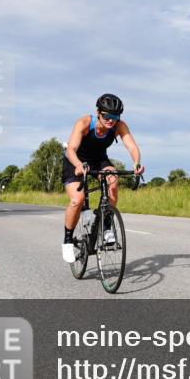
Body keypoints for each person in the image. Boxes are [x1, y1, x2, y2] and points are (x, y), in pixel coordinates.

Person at [61, 94, 144, 261]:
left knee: (112, 180)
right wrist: (78, 164)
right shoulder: (84, 123)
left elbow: (132, 146)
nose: (111, 121)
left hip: (98, 160)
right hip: (75, 159)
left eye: (115, 117)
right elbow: (71, 149)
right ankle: (68, 241)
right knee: (77, 199)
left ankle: (106, 226)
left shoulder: (119, 126)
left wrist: (136, 163)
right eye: (107, 116)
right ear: (98, 112)